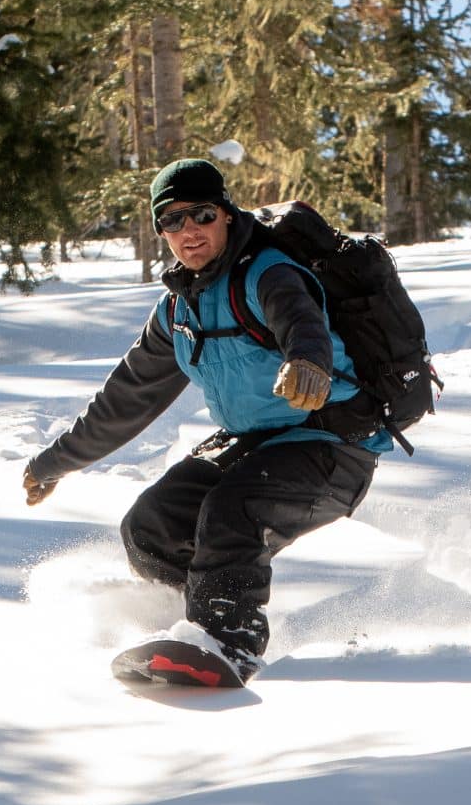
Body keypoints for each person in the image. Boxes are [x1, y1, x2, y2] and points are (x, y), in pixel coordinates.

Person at [21, 158, 389, 680]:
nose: (189, 230)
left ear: (226, 214)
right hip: (257, 440)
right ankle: (182, 631)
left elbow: (301, 321)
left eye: (201, 215)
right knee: (152, 524)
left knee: (232, 509)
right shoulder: (177, 311)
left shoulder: (269, 273)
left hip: (334, 441)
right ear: (161, 232)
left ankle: (229, 642)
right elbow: (125, 399)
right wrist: (53, 463)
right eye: (173, 220)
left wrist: (308, 362)